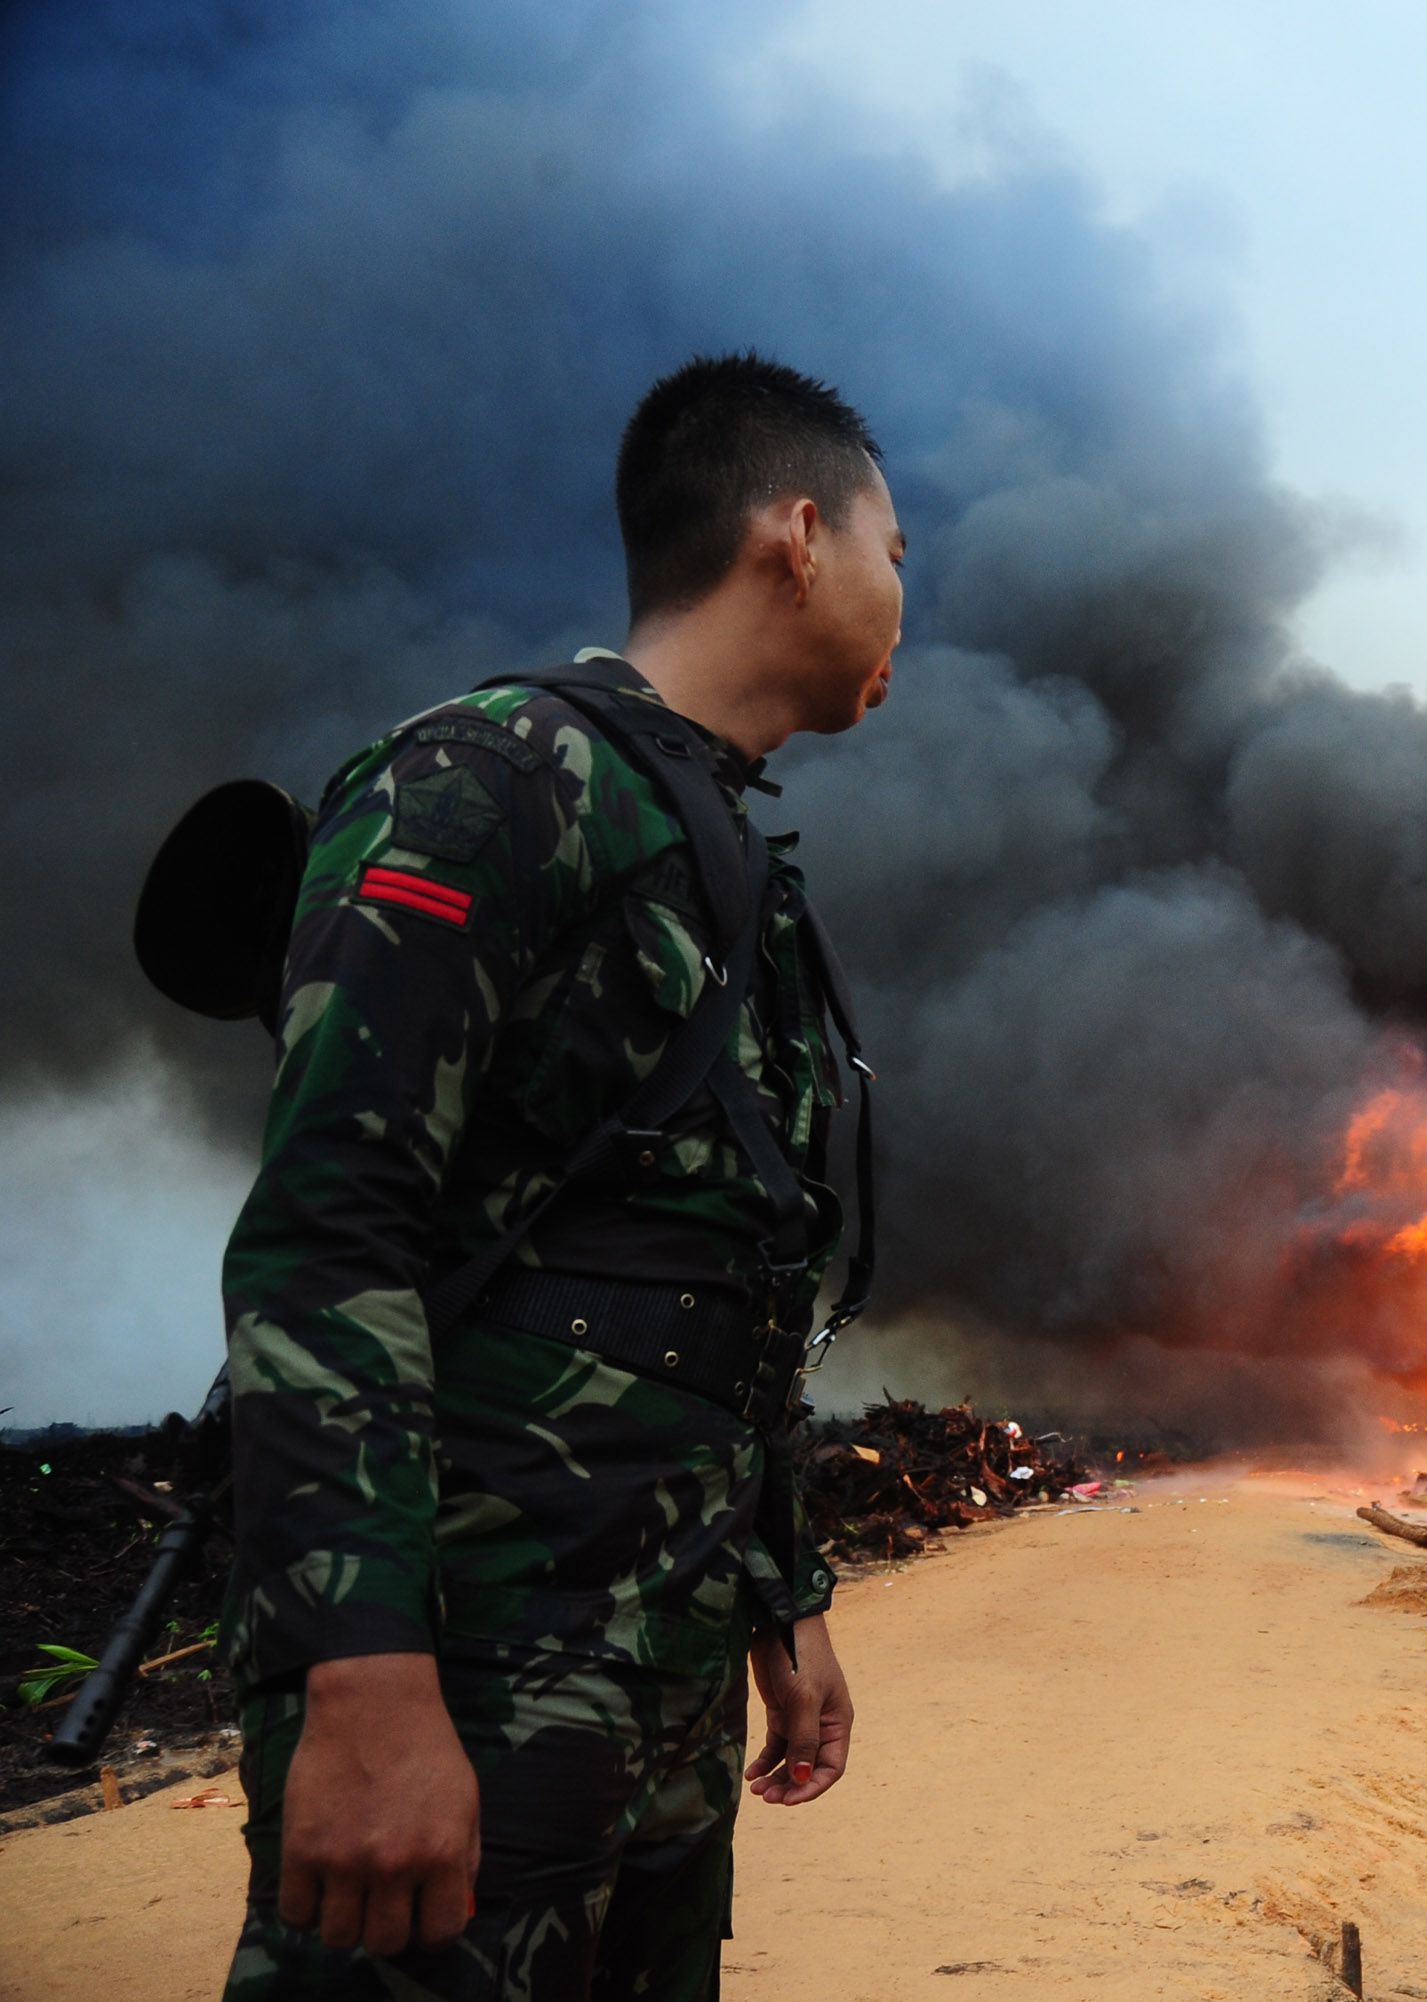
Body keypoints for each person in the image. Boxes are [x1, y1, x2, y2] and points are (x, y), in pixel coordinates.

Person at [218, 354, 904, 2000]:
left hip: (650, 1676)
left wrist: (779, 1595)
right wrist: (362, 1678)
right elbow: (330, 1231)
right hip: (472, 1666)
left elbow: (721, 1270)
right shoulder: (487, 780)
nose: (902, 601)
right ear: (796, 537)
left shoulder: (724, 848)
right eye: (896, 550)